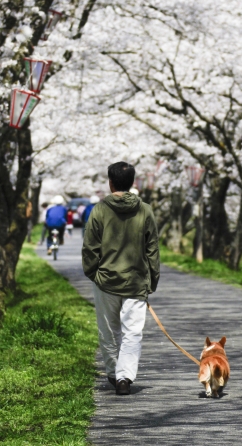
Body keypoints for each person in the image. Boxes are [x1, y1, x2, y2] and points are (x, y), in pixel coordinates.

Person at [82, 162, 160, 396]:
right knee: (132, 332)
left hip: (105, 281)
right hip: (136, 282)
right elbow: (152, 249)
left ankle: (113, 373)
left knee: (108, 330)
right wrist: (152, 279)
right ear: (132, 183)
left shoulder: (100, 210)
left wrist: (93, 274)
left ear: (110, 182)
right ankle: (125, 376)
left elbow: (89, 248)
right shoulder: (145, 210)